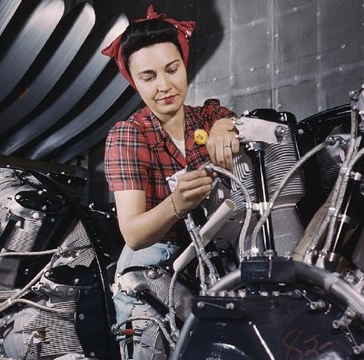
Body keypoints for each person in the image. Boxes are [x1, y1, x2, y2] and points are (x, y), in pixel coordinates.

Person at [101, 5, 240, 331]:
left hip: (210, 259)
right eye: (148, 77)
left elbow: (228, 123)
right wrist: (176, 204)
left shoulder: (207, 116)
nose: (164, 86)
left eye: (172, 69)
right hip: (152, 269)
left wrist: (225, 126)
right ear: (134, 81)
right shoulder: (129, 135)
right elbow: (134, 234)